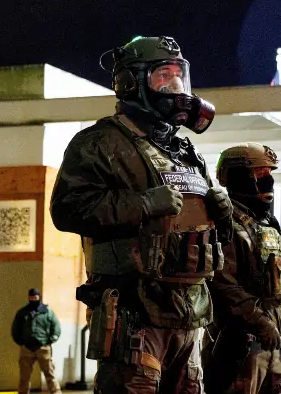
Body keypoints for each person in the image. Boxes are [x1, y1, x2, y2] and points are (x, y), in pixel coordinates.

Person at [50, 35, 233, 393]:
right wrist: (143, 205)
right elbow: (66, 209)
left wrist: (222, 214)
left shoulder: (185, 150)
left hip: (190, 318)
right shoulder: (99, 142)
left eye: (180, 76)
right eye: (163, 76)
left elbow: (206, 232)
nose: (176, 86)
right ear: (130, 83)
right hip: (135, 318)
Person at [202, 143, 281, 393]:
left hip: (275, 344)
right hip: (240, 346)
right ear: (238, 176)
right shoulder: (225, 223)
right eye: (259, 174)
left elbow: (280, 285)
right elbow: (222, 283)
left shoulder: (268, 224)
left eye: (269, 173)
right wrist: (260, 322)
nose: (268, 180)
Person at [12, 288, 62, 394]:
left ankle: (56, 392)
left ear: (39, 297)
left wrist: (51, 339)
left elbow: (56, 326)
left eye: (35, 297)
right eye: (31, 297)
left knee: (50, 374)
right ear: (28, 298)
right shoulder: (22, 312)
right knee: (24, 377)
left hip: (43, 348)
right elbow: (15, 328)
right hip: (27, 349)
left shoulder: (47, 311)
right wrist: (20, 342)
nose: (33, 299)